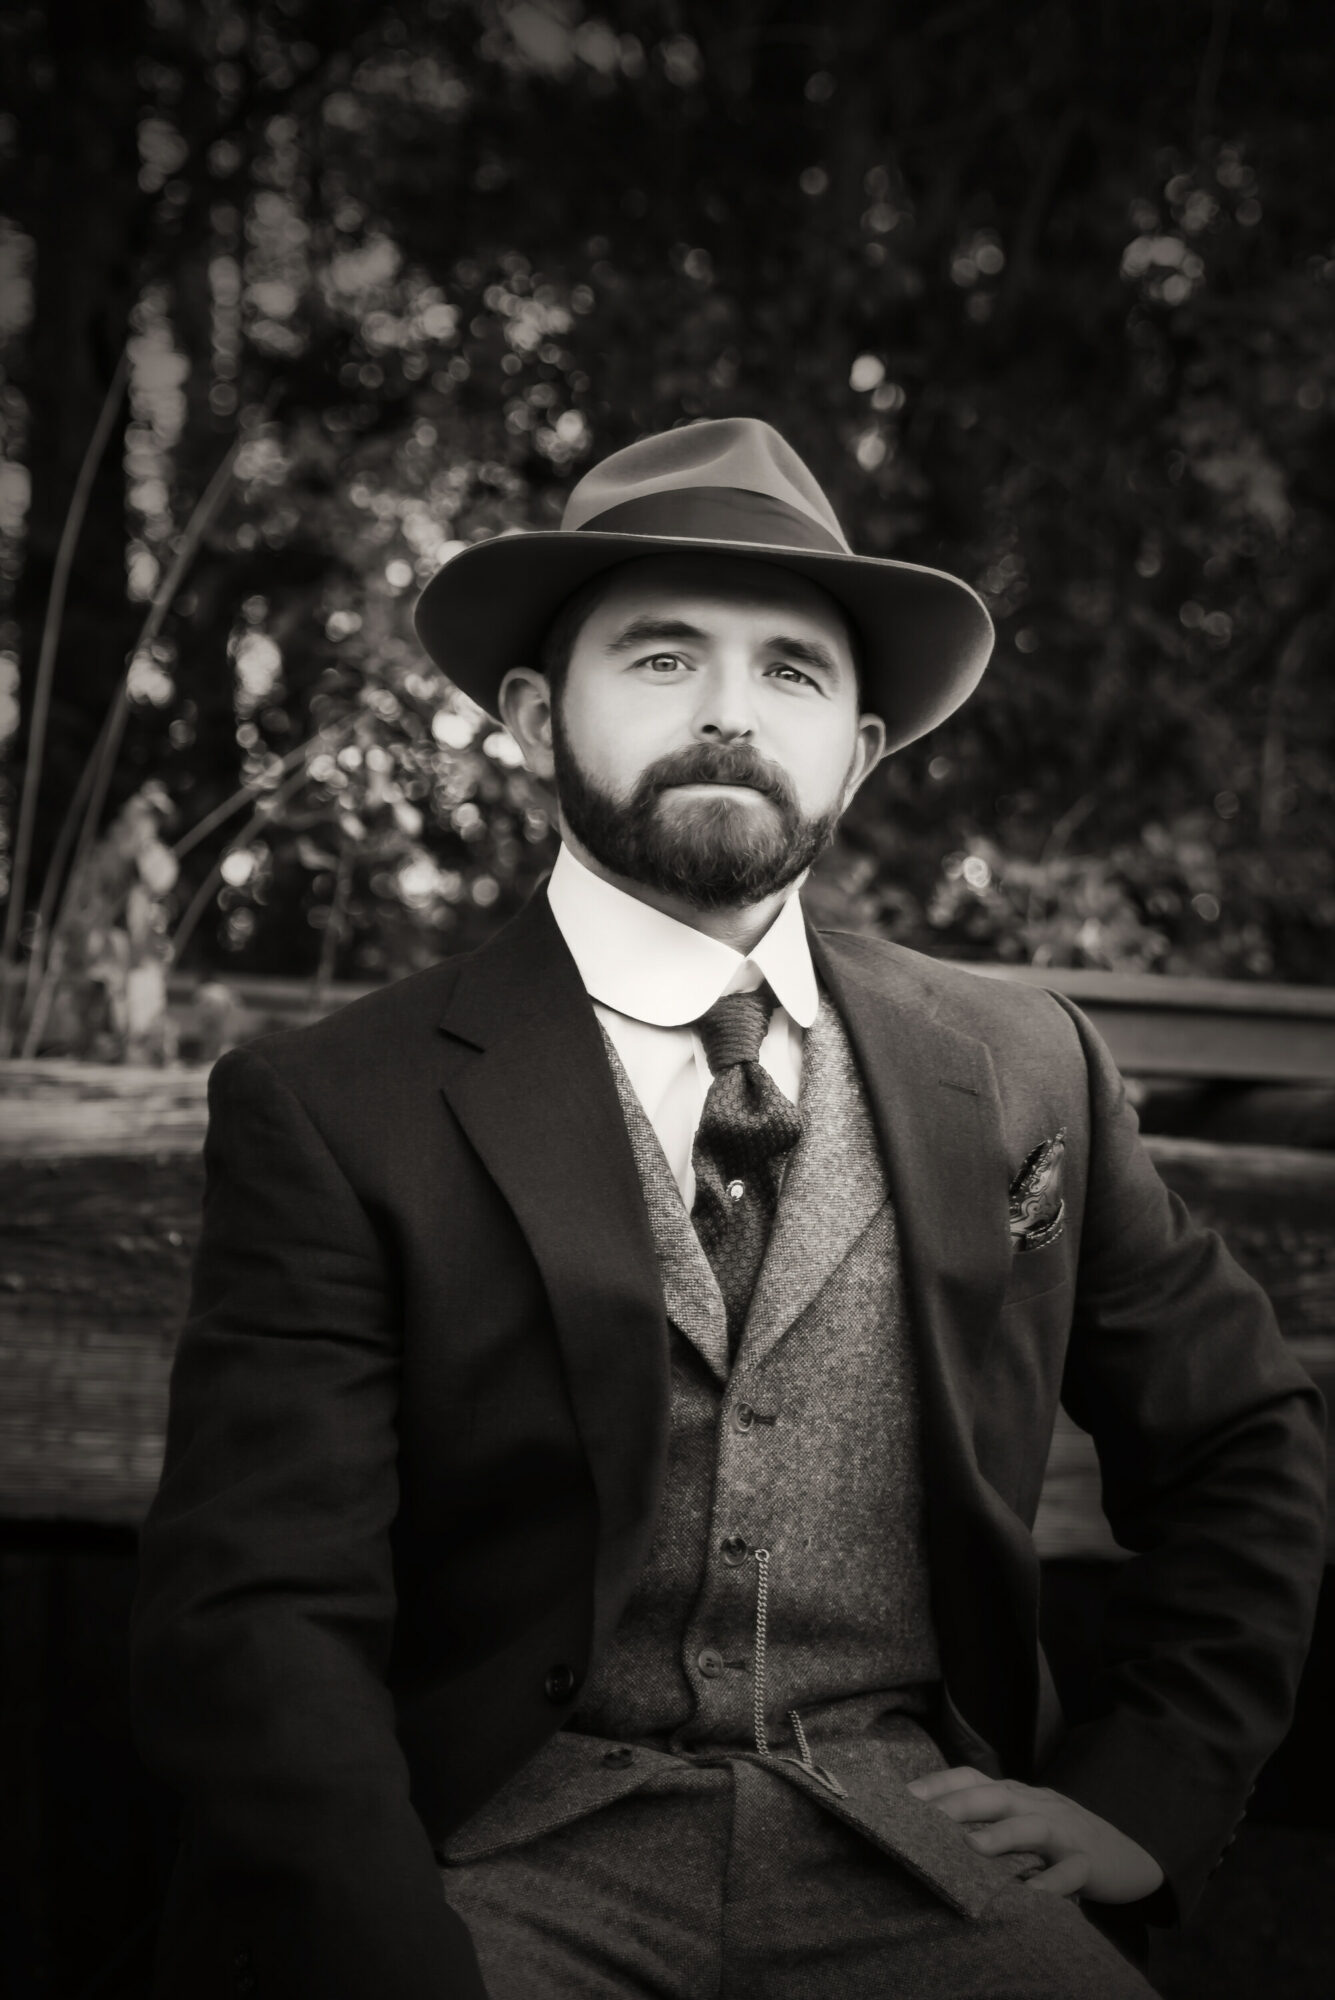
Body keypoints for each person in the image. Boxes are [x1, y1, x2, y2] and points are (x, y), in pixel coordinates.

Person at [129, 417, 1326, 1999]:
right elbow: (262, 1599)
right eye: (664, 658)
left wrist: (1145, 1797)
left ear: (863, 748)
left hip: (920, 1843)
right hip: (494, 1864)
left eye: (793, 676)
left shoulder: (1028, 1065)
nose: (727, 714)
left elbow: (1244, 1442)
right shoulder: (340, 1102)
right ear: (533, 712)